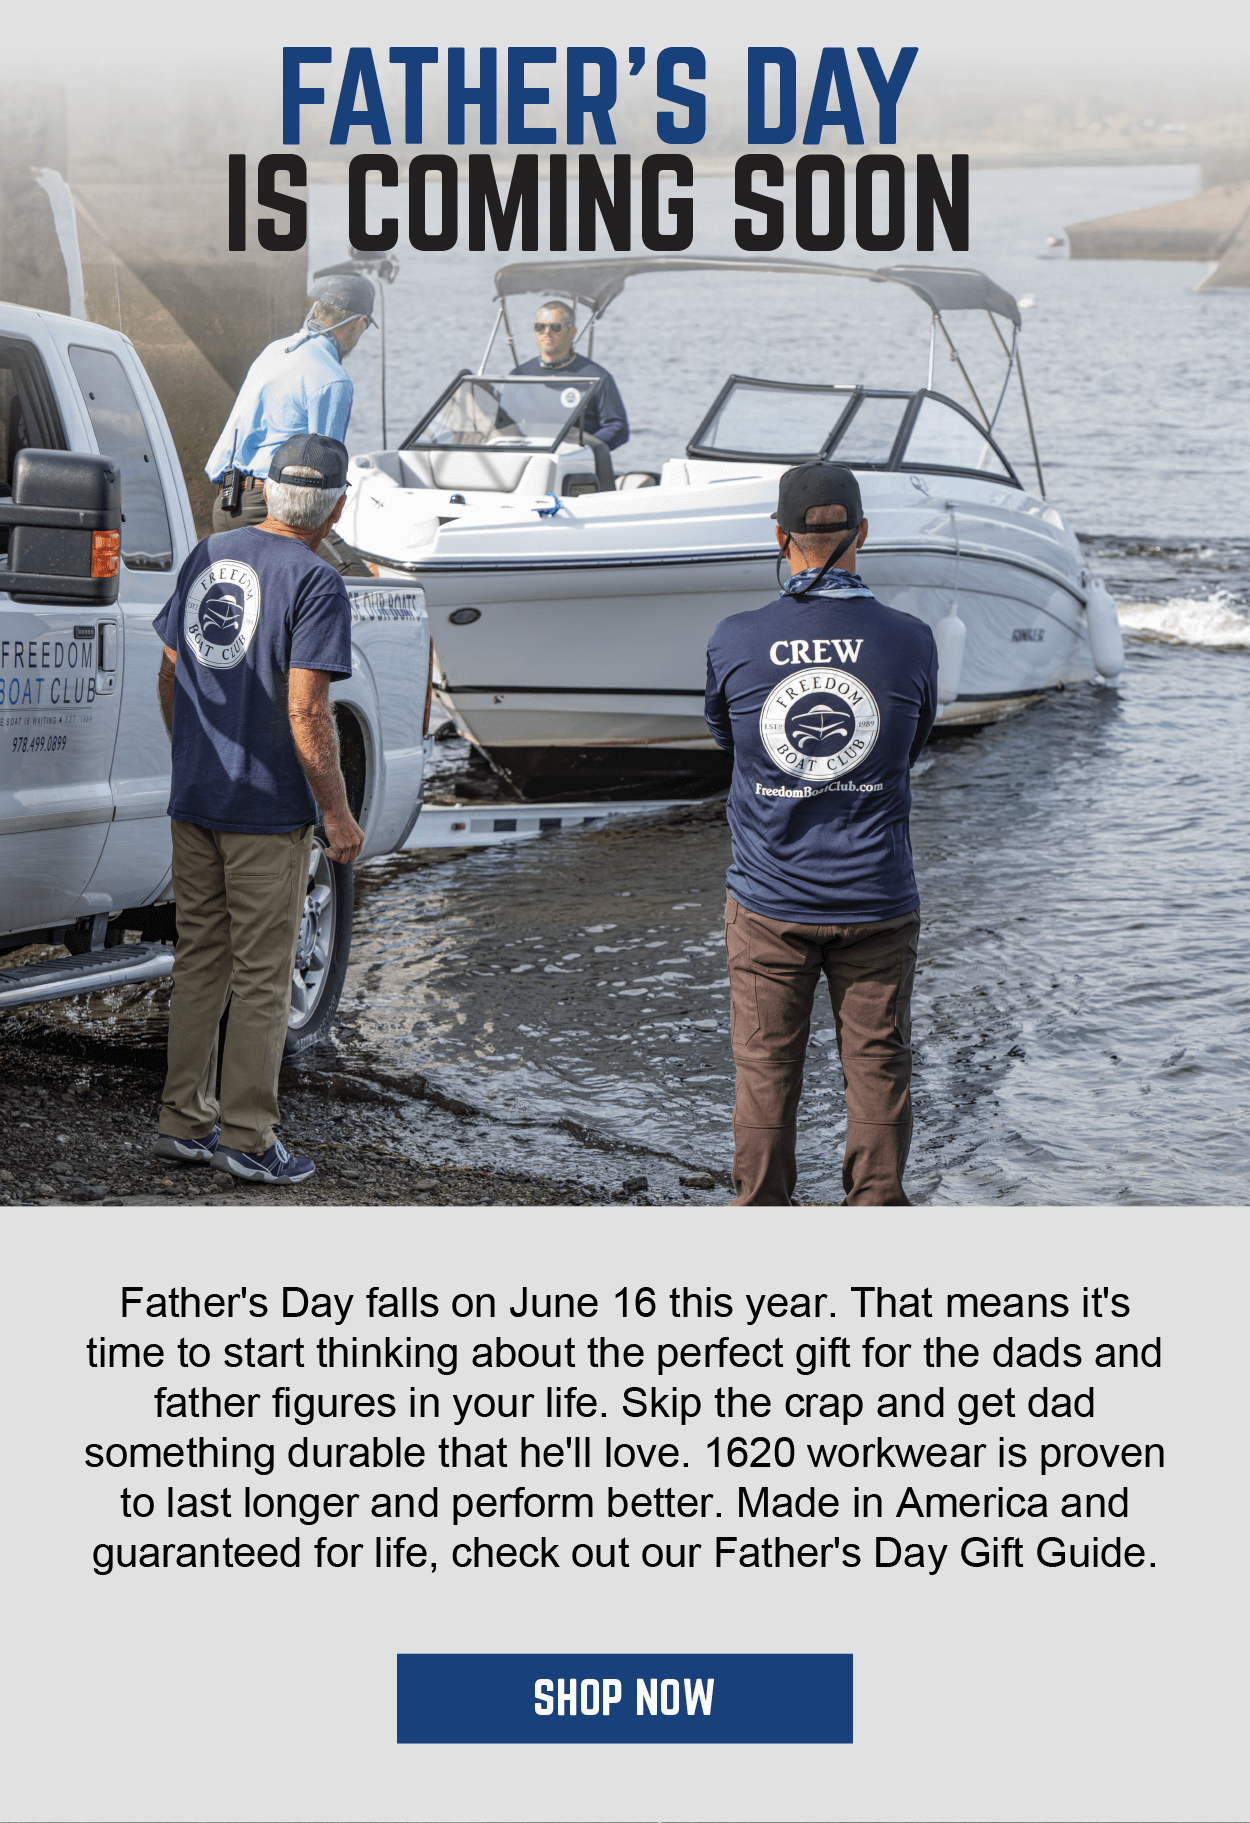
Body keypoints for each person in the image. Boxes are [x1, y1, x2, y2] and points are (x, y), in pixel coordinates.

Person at [704, 461, 938, 1208]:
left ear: (780, 538)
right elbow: (911, 742)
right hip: (877, 898)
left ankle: (762, 1220)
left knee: (765, 1076)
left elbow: (728, 737)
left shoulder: (735, 638)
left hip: (770, 902)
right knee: (878, 1072)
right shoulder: (910, 639)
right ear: (862, 534)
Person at [151, 433, 365, 1187]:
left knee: (201, 958)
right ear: (337, 505)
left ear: (268, 491)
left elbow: (170, 675)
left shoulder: (210, 554)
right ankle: (247, 1135)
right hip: (265, 811)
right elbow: (309, 713)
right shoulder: (317, 581)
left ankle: (182, 1121)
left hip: (196, 799)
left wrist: (195, 757)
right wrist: (336, 814)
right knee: (264, 976)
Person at [203, 274, 376, 575]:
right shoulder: (332, 379)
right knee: (361, 585)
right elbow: (323, 481)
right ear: (359, 323)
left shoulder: (273, 352)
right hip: (274, 511)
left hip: (226, 506)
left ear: (317, 311)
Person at [510, 299, 629, 451]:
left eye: (555, 327)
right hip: (530, 458)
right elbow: (504, 427)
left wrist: (582, 450)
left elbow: (617, 428)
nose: (547, 333)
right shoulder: (518, 376)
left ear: (571, 332)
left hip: (576, 464)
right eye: (540, 327)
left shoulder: (597, 377)